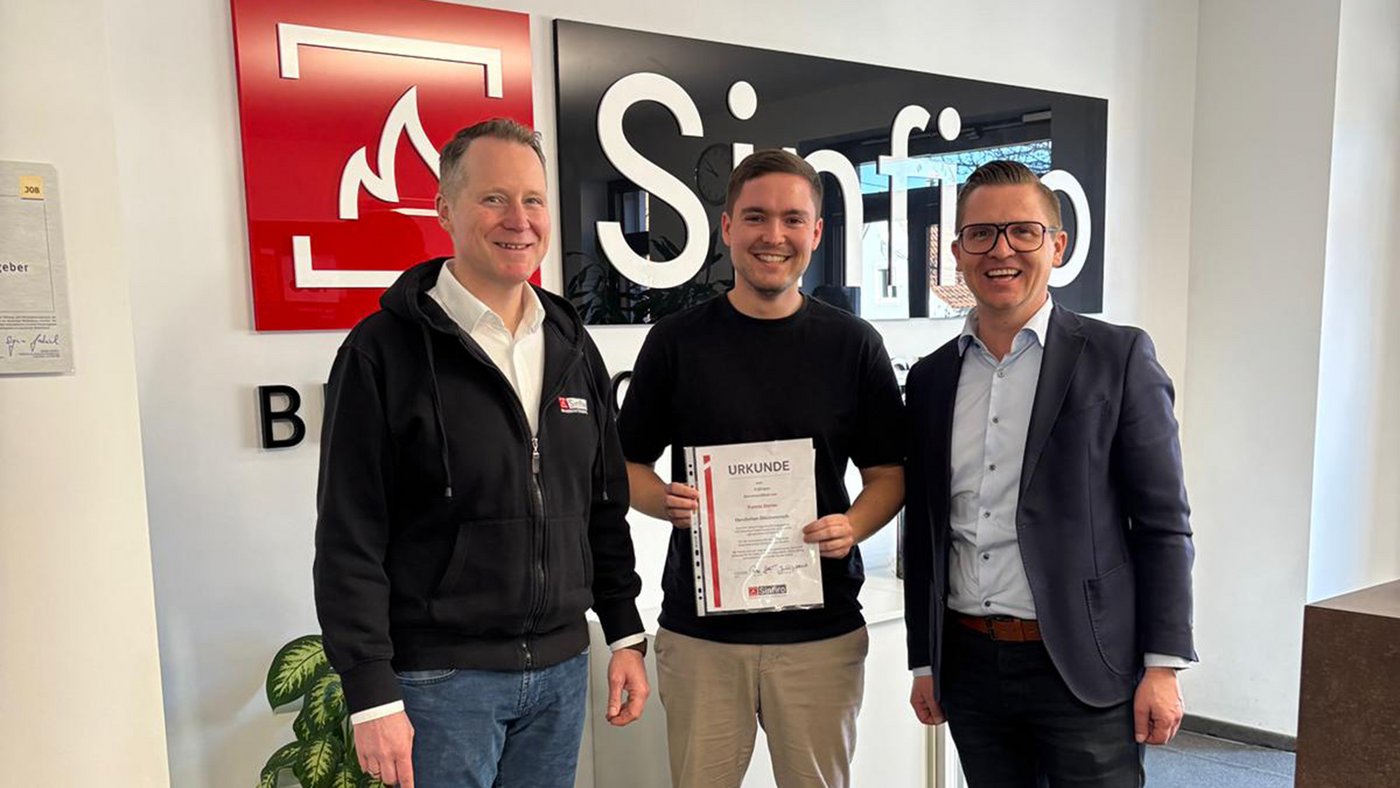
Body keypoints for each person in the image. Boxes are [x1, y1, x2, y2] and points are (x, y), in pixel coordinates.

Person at [313, 118, 648, 788]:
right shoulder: (381, 352)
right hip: (442, 681)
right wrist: (371, 694)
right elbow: (350, 536)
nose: (518, 220)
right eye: (494, 198)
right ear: (445, 209)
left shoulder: (571, 345)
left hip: (560, 672)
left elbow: (602, 505)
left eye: (533, 200)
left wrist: (624, 633)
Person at [903, 160, 1196, 787]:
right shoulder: (930, 379)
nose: (1000, 250)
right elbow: (926, 532)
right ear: (956, 252)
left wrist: (1163, 664)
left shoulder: (1118, 357)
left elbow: (1162, 523)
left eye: (1023, 231)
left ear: (1057, 246)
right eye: (981, 234)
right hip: (969, 666)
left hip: (1084, 663)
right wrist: (924, 660)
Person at [618, 149, 906, 788]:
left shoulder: (854, 345)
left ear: (816, 233)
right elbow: (626, 464)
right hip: (701, 635)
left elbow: (889, 474)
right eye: (755, 217)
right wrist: (663, 500)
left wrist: (853, 526)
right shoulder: (676, 342)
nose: (773, 235)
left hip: (821, 634)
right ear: (727, 228)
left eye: (792, 219)